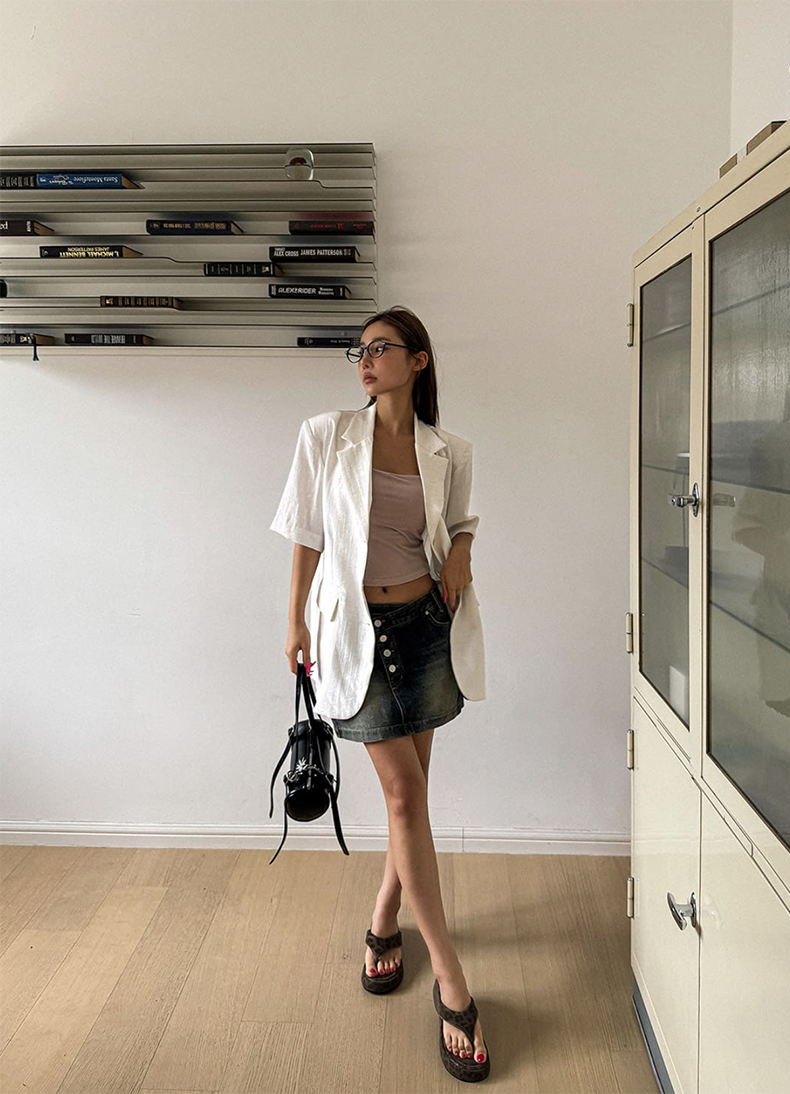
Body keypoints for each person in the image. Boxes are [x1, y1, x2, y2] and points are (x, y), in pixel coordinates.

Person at [270, 305, 490, 1081]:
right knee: (405, 797)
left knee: (412, 797)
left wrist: (462, 549)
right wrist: (294, 619)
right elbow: (307, 531)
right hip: (355, 637)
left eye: (380, 348)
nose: (364, 360)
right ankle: (452, 980)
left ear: (418, 360)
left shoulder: (449, 449)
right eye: (358, 351)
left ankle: (385, 916)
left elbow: (459, 521)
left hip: (426, 629)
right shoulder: (326, 434)